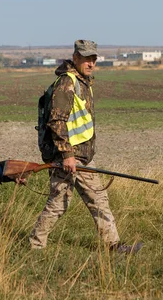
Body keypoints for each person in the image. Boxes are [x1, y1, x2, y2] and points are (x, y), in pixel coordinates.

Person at [29, 39, 143, 254]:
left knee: (95, 199)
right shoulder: (67, 83)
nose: (91, 63)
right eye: (86, 59)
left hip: (81, 156)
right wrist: (67, 155)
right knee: (60, 202)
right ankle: (36, 245)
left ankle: (114, 246)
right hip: (69, 156)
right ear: (75, 58)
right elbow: (57, 121)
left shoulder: (84, 82)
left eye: (94, 59)